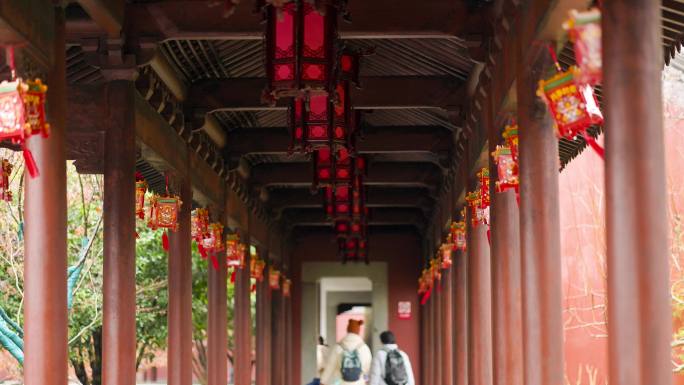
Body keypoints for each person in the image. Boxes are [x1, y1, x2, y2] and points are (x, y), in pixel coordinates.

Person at [321, 319, 372, 385]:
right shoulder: (364, 348)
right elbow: (368, 368)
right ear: (358, 331)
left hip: (340, 382)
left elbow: (330, 366)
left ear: (347, 329)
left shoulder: (338, 347)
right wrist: (366, 381)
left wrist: (322, 381)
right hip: (359, 383)